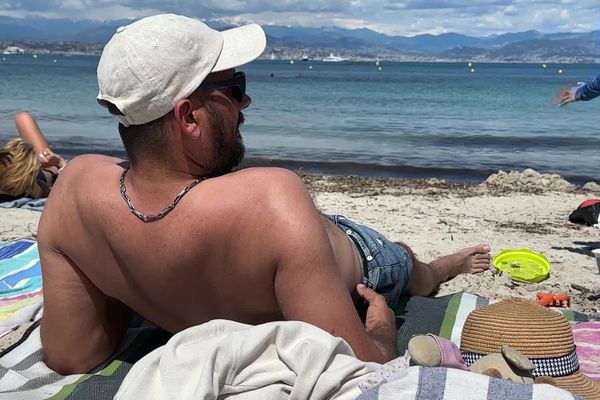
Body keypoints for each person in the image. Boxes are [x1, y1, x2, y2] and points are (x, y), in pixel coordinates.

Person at [38, 14, 491, 375]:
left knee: (418, 268)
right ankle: (433, 268)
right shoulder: (271, 198)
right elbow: (361, 371)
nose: (245, 105)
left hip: (326, 246)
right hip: (360, 264)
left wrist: (130, 281)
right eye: (235, 90)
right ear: (188, 117)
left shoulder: (74, 191)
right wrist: (383, 332)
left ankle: (441, 266)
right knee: (403, 268)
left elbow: (72, 355)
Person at [0, 112, 67, 201]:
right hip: (44, 174)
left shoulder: (27, 186)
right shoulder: (37, 189)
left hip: (22, 174)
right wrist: (61, 163)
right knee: (23, 117)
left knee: (23, 117)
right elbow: (65, 193)